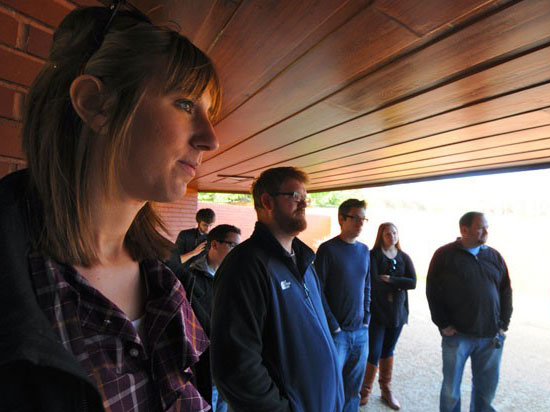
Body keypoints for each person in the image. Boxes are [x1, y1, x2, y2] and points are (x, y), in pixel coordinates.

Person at [0, 2, 221, 410]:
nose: (210, 139)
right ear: (95, 104)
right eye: (186, 104)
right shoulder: (22, 289)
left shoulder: (166, 281)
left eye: (209, 113)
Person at [210, 167, 344, 412]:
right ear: (267, 201)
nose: (304, 203)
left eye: (305, 197)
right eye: (295, 196)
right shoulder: (246, 265)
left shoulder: (304, 260)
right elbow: (235, 367)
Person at [426, 211, 513, 412]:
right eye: (481, 227)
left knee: (486, 390)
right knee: (451, 390)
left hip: (490, 336)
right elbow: (433, 291)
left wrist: (503, 324)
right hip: (457, 336)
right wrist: (443, 323)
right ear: (464, 230)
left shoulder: (494, 256)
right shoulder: (444, 255)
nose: (486, 231)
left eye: (486, 227)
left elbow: (506, 290)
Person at [176, 224, 241, 411]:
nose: (237, 250)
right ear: (214, 245)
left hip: (232, 360)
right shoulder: (190, 277)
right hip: (205, 362)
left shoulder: (238, 276)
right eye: (232, 245)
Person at [315, 198, 371, 412]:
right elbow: (317, 291)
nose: (360, 223)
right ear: (341, 218)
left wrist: (366, 319)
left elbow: (367, 287)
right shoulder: (328, 250)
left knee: (353, 390)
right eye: (355, 218)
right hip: (336, 334)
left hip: (360, 333)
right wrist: (333, 326)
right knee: (330, 387)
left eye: (363, 218)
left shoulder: (365, 251)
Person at [360, 222, 416, 410]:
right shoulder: (372, 256)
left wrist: (391, 280)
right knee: (374, 352)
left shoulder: (404, 257)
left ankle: (386, 390)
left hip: (397, 313)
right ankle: (364, 391)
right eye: (387, 233)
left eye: (394, 232)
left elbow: (413, 282)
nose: (391, 236)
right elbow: (374, 282)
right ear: (380, 236)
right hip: (378, 312)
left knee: (388, 351)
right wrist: (399, 284)